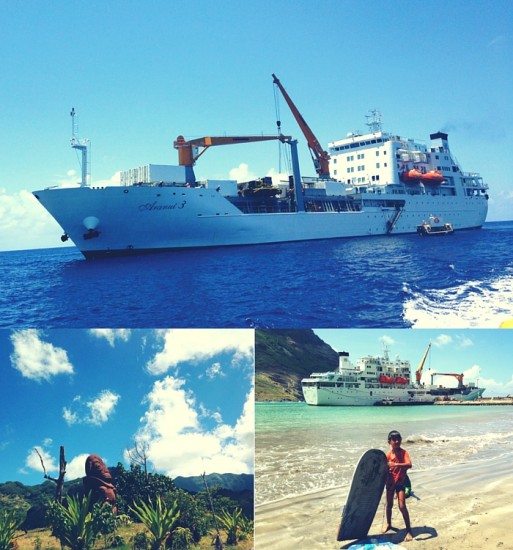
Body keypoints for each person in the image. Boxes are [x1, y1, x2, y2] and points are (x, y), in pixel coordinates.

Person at [382, 430, 413, 542]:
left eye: (398, 439)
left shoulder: (404, 453)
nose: (397, 441)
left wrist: (396, 464)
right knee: (389, 505)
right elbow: (383, 470)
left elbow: (409, 464)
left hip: (400, 483)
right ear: (389, 442)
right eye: (394, 439)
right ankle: (389, 524)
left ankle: (409, 530)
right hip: (390, 483)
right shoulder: (387, 456)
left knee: (402, 506)